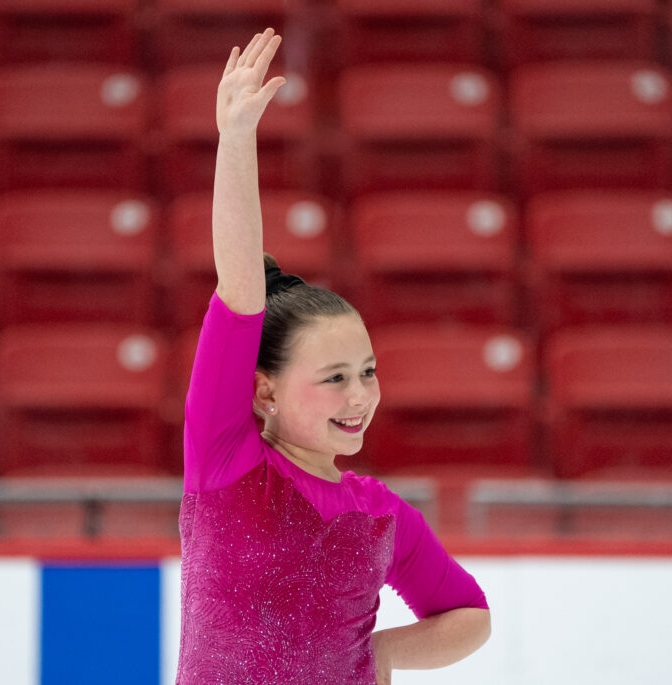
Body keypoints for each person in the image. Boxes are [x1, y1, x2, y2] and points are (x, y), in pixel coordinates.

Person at [177, 28, 491, 685]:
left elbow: (469, 613)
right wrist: (235, 142)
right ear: (265, 391)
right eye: (335, 378)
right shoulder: (226, 459)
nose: (360, 396)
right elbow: (239, 293)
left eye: (368, 372)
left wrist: (383, 652)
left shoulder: (381, 513)